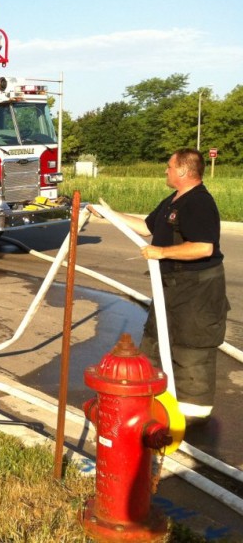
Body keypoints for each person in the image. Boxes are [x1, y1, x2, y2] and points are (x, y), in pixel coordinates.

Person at [89, 148, 230, 425]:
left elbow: (204, 247)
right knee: (154, 342)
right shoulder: (174, 200)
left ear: (182, 171)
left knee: (192, 350)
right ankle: (152, 410)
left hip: (197, 292)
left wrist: (161, 253)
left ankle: (191, 426)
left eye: (169, 166)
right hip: (171, 287)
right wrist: (108, 213)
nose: (165, 170)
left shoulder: (199, 203)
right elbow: (145, 226)